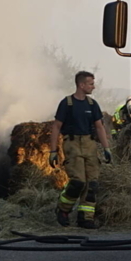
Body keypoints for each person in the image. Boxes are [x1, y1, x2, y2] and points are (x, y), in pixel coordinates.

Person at [48, 71, 113, 228]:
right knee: (78, 182)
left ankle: (85, 218)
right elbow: (56, 127)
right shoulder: (67, 103)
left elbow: (99, 127)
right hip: (72, 144)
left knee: (92, 184)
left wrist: (106, 148)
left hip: (89, 145)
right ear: (81, 85)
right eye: (91, 84)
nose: (93, 86)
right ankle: (63, 210)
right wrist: (53, 151)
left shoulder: (92, 104)